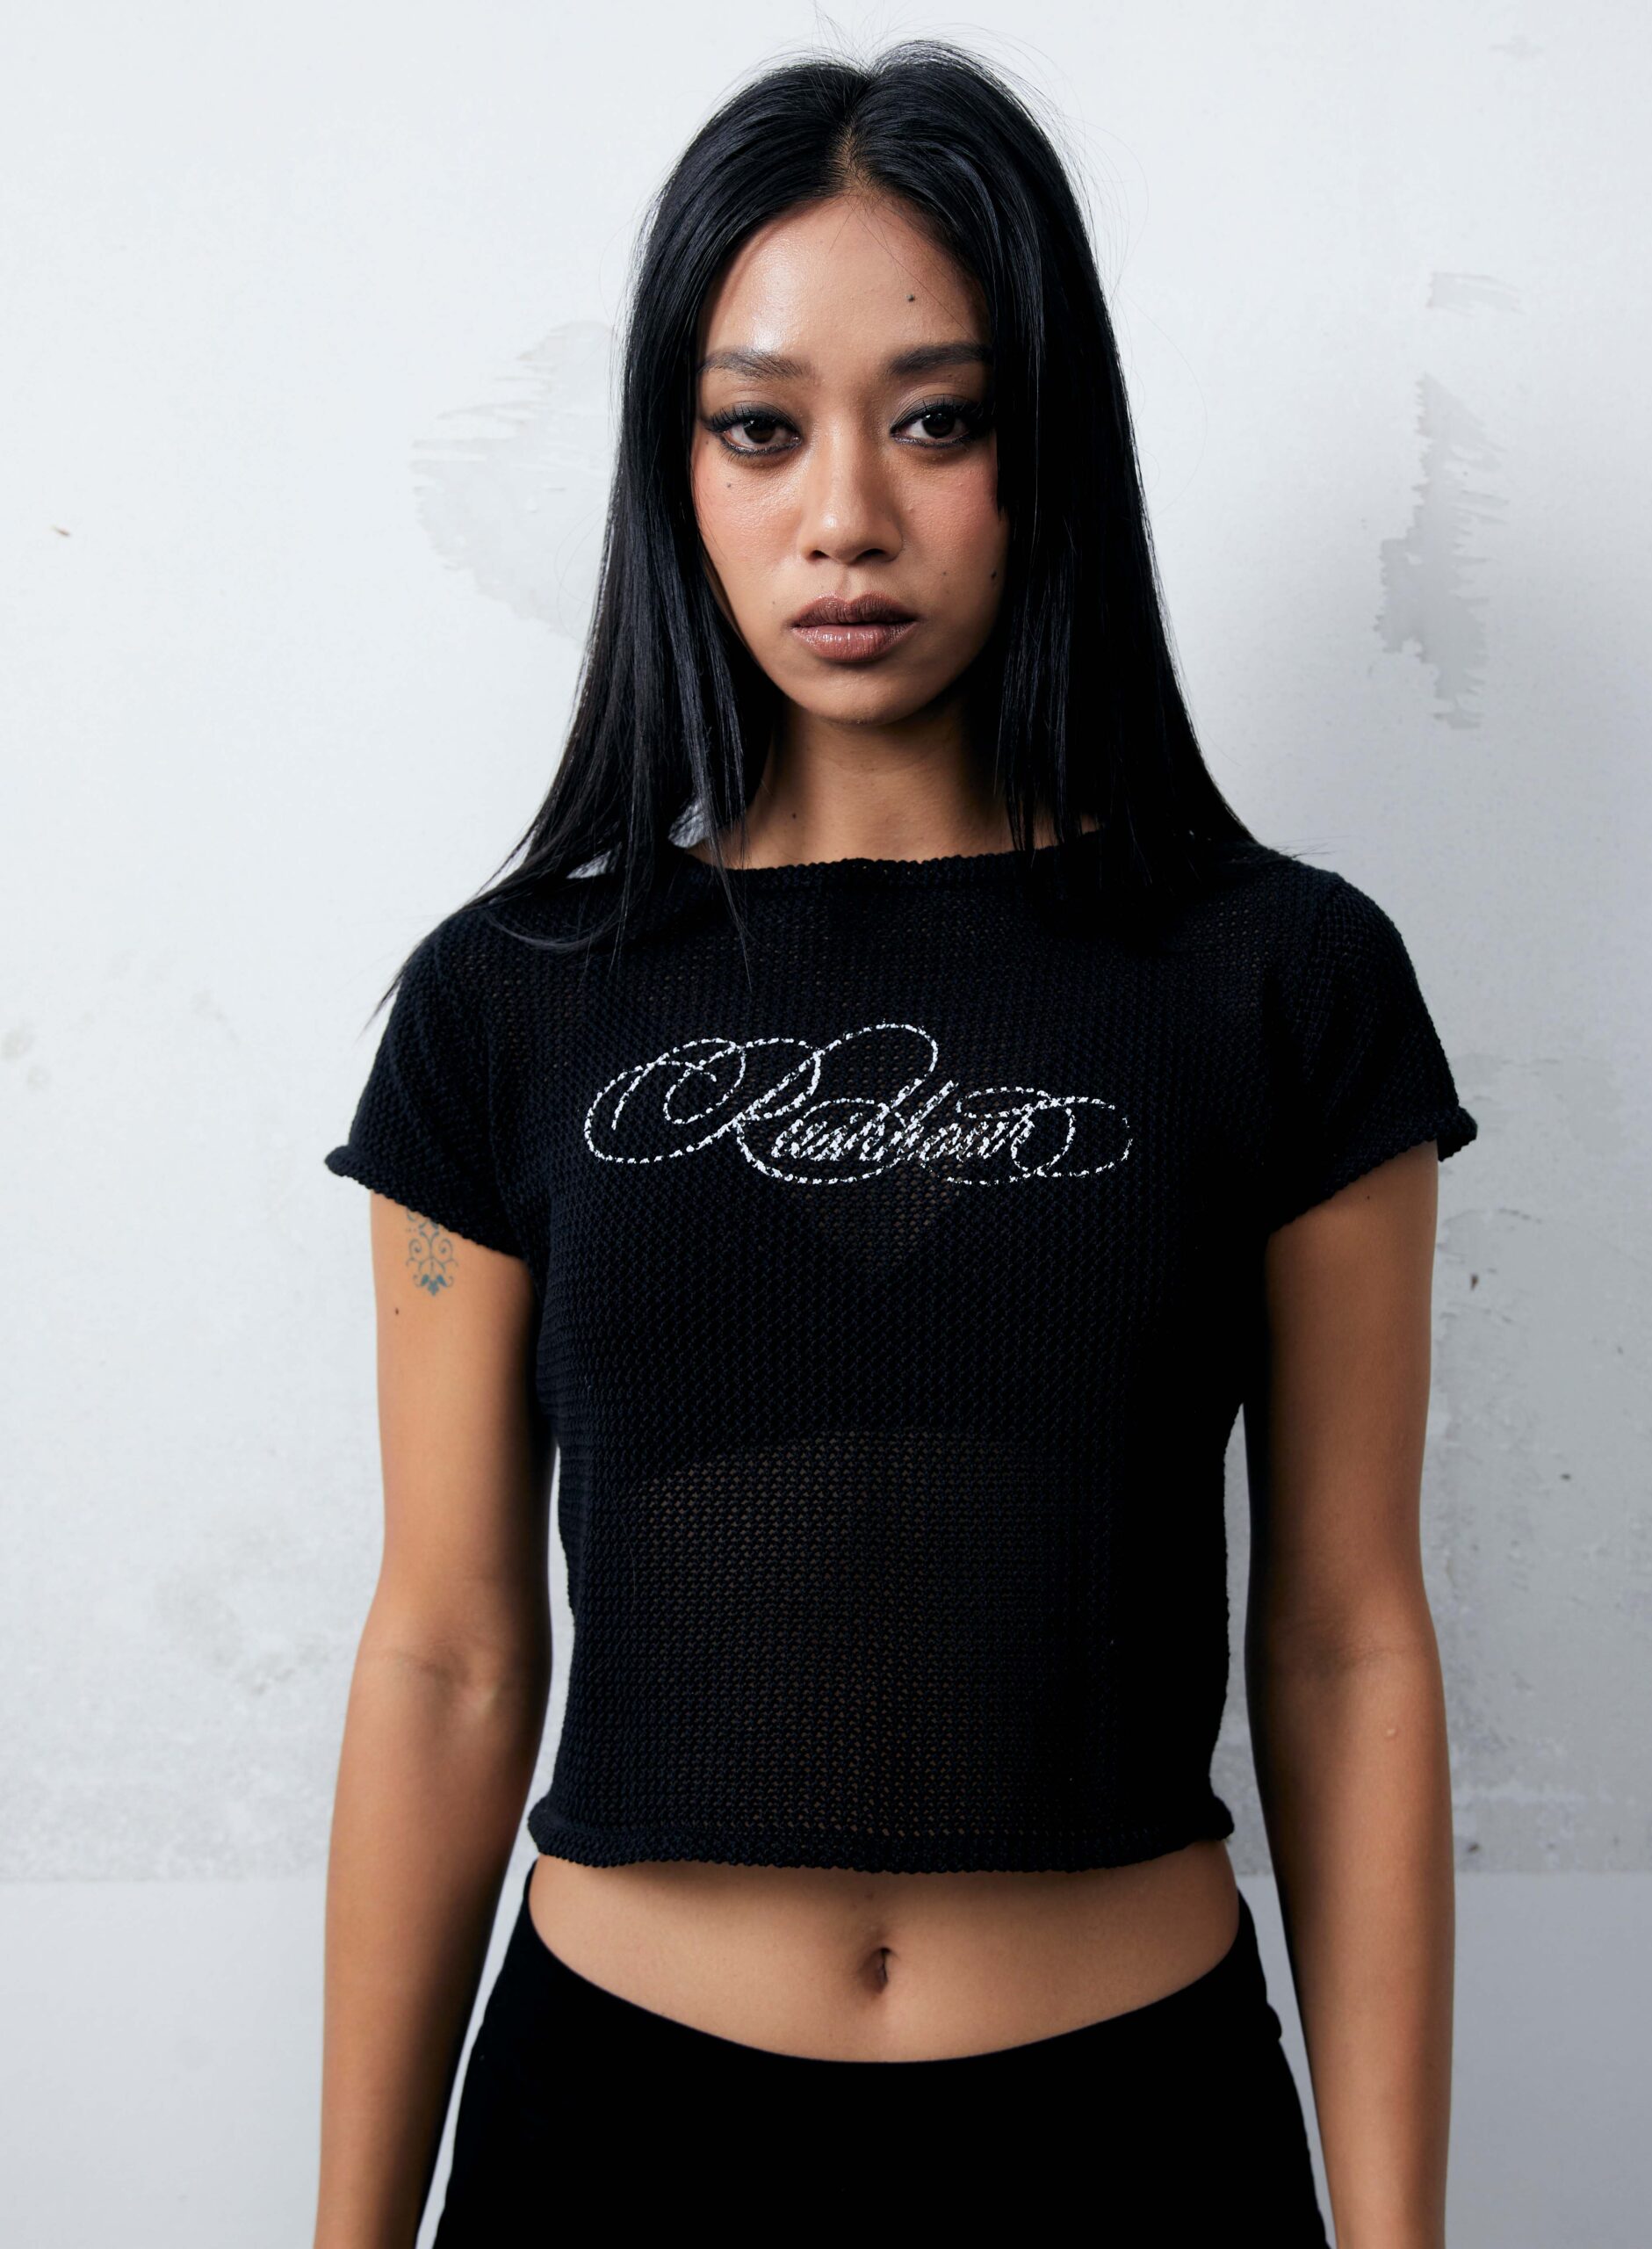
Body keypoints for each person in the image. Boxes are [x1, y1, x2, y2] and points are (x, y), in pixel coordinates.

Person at [314, 39, 1476, 2249]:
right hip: (614, 2135)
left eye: (935, 420)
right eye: (760, 428)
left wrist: (1396, 2235)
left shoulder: (1279, 980)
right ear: (675, 468)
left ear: (1049, 452)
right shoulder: (510, 1001)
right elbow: (449, 1651)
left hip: (1132, 2134)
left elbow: (1344, 1637)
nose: (844, 513)